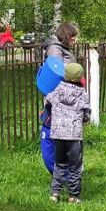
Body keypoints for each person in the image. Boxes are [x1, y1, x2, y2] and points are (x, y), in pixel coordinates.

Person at [46, 63, 90, 203]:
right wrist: (83, 119)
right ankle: (73, 196)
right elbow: (86, 114)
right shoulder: (83, 94)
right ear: (80, 78)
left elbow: (47, 100)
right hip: (74, 136)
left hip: (58, 135)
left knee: (59, 164)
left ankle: (54, 193)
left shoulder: (58, 89)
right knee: (75, 166)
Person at [40, 22, 80, 174]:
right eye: (73, 38)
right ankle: (61, 172)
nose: (74, 41)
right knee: (56, 136)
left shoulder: (62, 48)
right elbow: (55, 74)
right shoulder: (55, 49)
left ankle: (67, 170)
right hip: (59, 100)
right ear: (66, 36)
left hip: (67, 97)